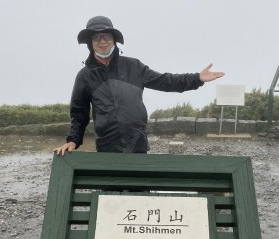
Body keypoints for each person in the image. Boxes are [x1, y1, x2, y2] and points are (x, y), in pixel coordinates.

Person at [54, 16, 225, 156]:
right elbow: (79, 114)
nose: (102, 41)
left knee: (140, 195)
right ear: (90, 43)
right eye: (96, 37)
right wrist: (73, 141)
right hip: (107, 148)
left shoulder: (134, 66)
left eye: (107, 36)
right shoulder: (84, 75)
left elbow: (166, 81)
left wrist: (197, 78)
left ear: (114, 40)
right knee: (109, 196)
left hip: (138, 144)